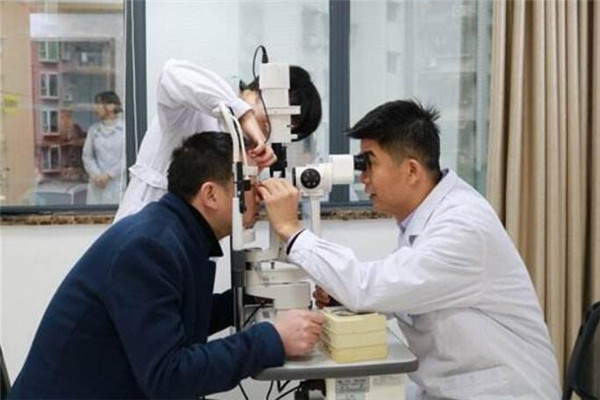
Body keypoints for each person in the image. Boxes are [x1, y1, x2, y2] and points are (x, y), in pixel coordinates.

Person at [258, 100, 561, 399]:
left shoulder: (462, 226)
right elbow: (404, 290)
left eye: (370, 163)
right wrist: (344, 297)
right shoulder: (427, 218)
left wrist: (292, 230)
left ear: (412, 171)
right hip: (458, 386)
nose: (362, 177)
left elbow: (368, 287)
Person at [9, 132, 325, 399]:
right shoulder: (148, 249)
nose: (260, 196)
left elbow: (176, 316)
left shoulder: (173, 232)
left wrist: (258, 297)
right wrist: (271, 338)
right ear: (211, 194)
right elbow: (168, 375)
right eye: (248, 185)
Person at [113, 59, 322, 221]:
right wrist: (245, 115)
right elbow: (171, 73)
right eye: (267, 124)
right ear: (260, 91)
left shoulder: (243, 144)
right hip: (145, 224)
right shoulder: (199, 108)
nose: (266, 134)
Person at [82, 91, 125, 204]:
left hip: (118, 184)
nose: (96, 107)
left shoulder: (125, 130)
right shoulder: (93, 130)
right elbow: (87, 156)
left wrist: (109, 175)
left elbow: (128, 157)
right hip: (97, 186)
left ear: (111, 106)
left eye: (99, 104)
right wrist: (96, 175)